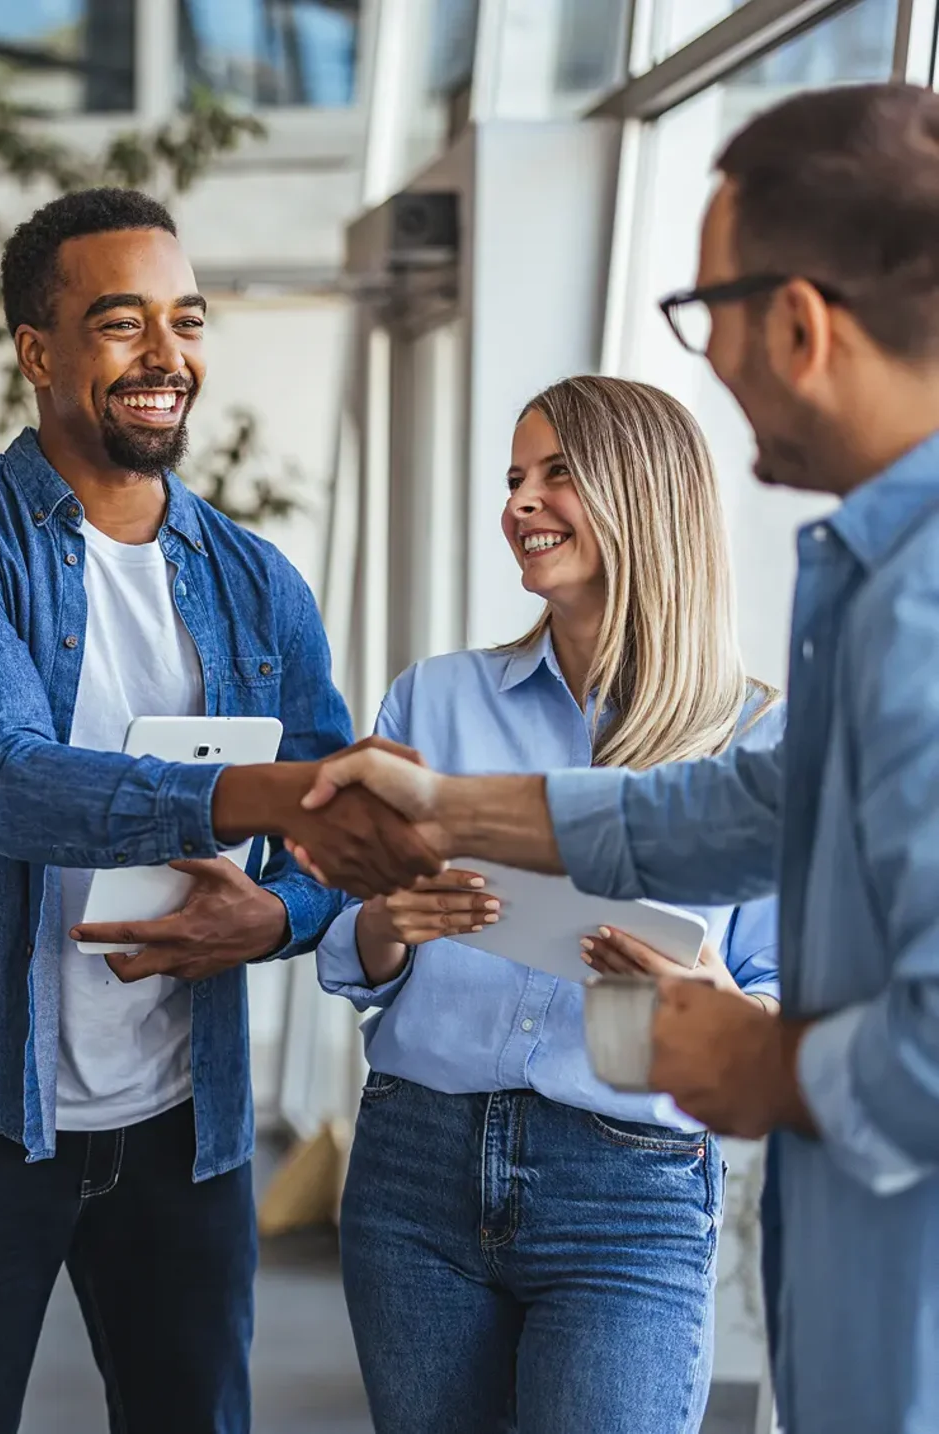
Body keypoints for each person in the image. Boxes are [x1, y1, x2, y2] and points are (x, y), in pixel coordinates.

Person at [295, 83, 939, 1434]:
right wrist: (445, 808)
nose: (708, 359)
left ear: (800, 323)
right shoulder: (867, 579)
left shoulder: (913, 609)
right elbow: (737, 810)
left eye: (704, 310)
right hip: (450, 1167)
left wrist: (764, 1058)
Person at [0, 186, 438, 1434]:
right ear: (38, 352)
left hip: (185, 1119)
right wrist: (251, 792)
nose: (166, 355)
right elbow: (6, 780)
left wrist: (276, 918)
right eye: (122, 323)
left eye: (187, 320)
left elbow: (323, 844)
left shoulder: (256, 583)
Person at [317, 375, 781, 1434]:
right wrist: (391, 923)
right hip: (416, 1168)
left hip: (629, 1192)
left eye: (557, 474)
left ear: (644, 495)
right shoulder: (433, 699)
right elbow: (350, 945)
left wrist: (714, 1000)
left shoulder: (756, 738)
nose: (520, 502)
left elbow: (783, 994)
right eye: (514, 477)